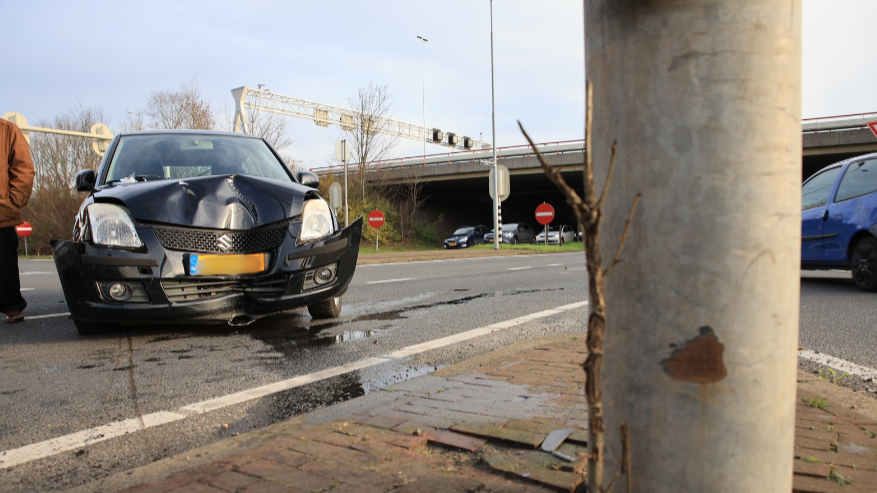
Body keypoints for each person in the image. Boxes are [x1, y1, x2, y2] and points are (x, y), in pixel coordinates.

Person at [0, 119, 35, 323]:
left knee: (4, 264)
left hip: (2, 212)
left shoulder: (7, 131)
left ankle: (13, 307)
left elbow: (24, 169)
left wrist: (13, 202)